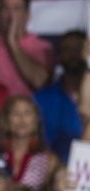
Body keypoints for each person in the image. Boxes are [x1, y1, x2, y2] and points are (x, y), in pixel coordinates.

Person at [34, 31, 86, 162]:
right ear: (58, 57)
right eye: (67, 49)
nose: (73, 54)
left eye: (79, 48)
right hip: (55, 172)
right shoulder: (41, 99)